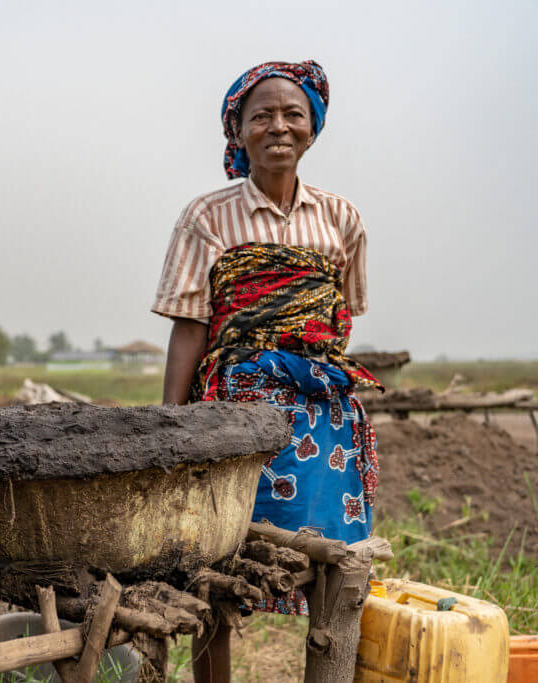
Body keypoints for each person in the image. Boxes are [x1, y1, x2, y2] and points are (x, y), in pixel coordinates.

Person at [152, 60, 382, 682]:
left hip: (321, 420)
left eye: (292, 114)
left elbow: (338, 320)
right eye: (262, 116)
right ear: (238, 131)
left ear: (313, 127)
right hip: (237, 414)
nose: (278, 127)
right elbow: (190, 326)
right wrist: (176, 430)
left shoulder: (341, 218)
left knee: (333, 564)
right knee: (217, 564)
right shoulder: (207, 216)